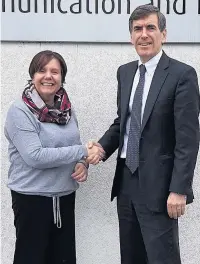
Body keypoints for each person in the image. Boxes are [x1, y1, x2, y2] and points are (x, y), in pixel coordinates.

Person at [88, 4, 200, 264]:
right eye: (138, 29)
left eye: (151, 27)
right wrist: (102, 148)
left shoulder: (182, 75)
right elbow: (123, 123)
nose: (144, 34)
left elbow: (188, 138)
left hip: (161, 188)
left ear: (163, 34)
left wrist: (179, 189)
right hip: (126, 181)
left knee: (163, 258)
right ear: (130, 37)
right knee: (131, 256)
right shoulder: (125, 73)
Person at [4, 50, 103, 264]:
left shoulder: (66, 109)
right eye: (42, 70)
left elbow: (74, 146)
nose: (48, 76)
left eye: (55, 71)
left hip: (65, 197)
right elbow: (35, 156)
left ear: (62, 77)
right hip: (32, 201)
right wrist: (83, 152)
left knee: (64, 260)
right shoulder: (19, 111)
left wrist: (82, 164)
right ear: (32, 75)